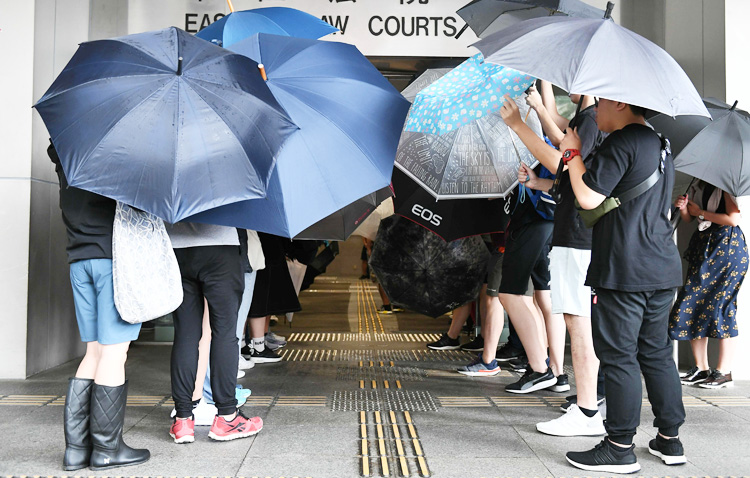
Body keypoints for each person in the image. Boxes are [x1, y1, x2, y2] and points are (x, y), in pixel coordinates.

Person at [563, 98, 686, 472]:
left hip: (624, 267)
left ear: (619, 103)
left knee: (618, 357)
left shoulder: (622, 142)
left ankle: (618, 447)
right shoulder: (660, 143)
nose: (595, 110)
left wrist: (572, 154)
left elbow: (587, 196)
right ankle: (670, 439)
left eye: (600, 102)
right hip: (660, 266)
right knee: (657, 353)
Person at [501, 83, 606, 436]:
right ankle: (587, 403)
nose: (568, 87)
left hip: (578, 237)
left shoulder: (591, 121)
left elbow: (562, 164)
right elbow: (567, 175)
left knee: (580, 324)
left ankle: (588, 409)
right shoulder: (588, 118)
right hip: (571, 232)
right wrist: (538, 183)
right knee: (576, 320)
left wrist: (519, 123)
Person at [50, 143, 150, 470]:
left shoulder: (67, 155)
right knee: (113, 353)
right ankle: (107, 449)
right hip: (112, 263)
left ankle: (76, 451)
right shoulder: (115, 155)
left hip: (79, 260)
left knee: (93, 352)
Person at [166, 222, 263, 444]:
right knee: (225, 333)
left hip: (177, 248)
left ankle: (182, 420)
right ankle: (227, 417)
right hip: (221, 246)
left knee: (185, 335)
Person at [670, 182, 748, 389]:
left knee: (723, 308)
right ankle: (701, 368)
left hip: (727, 248)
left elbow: (733, 219)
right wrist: (685, 208)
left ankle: (724, 372)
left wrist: (701, 212)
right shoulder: (696, 185)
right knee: (692, 304)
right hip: (705, 246)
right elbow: (690, 219)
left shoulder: (726, 187)